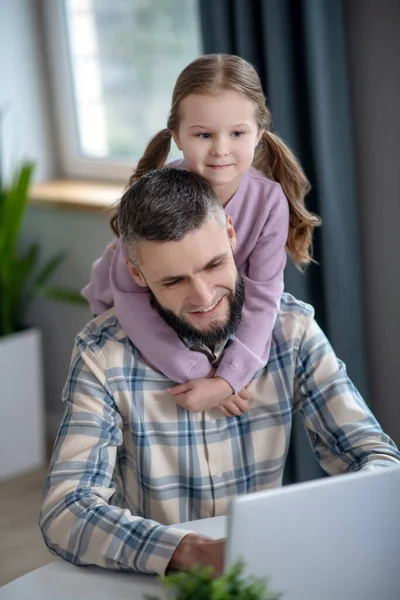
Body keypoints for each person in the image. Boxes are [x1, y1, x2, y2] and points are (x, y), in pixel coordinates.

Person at [40, 168, 400, 577]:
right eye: (174, 280)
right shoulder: (102, 354)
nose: (204, 297)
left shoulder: (292, 330)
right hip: (158, 581)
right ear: (137, 274)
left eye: (213, 265)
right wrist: (187, 553)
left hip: (269, 573)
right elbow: (65, 511)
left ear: (230, 233)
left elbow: (380, 463)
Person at [82, 53, 321, 417]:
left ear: (259, 133)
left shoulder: (270, 201)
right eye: (204, 134)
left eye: (237, 133)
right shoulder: (156, 195)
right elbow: (128, 295)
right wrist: (201, 374)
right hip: (130, 307)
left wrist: (228, 379)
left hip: (204, 306)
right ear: (176, 135)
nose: (221, 149)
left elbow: (262, 297)